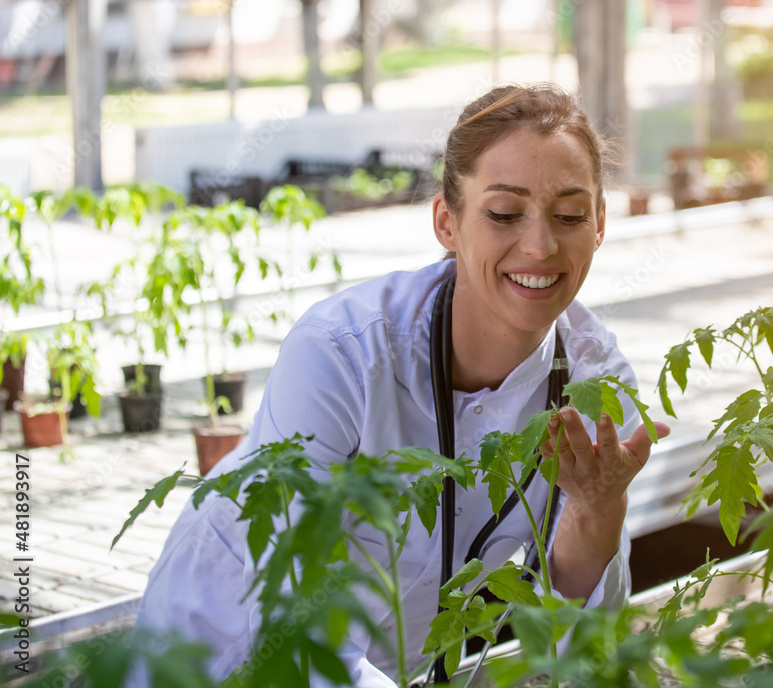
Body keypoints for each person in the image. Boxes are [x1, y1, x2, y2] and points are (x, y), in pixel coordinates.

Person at [134, 83, 670, 686]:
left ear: (599, 223)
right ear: (447, 221)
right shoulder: (343, 354)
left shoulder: (593, 380)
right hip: (215, 648)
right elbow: (294, 615)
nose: (541, 245)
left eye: (569, 215)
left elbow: (579, 633)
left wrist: (597, 507)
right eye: (503, 214)